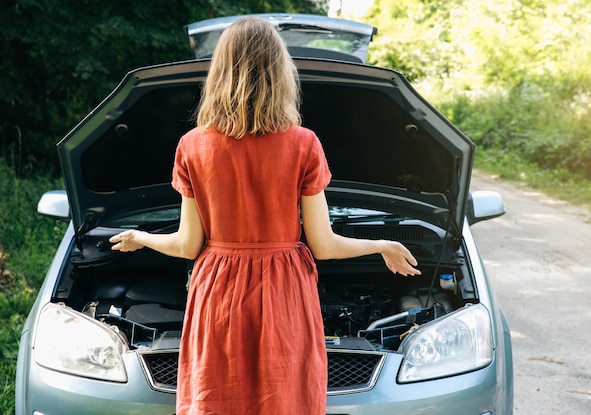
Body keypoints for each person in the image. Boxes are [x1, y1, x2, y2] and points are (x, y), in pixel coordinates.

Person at [109, 16, 420, 415]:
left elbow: (188, 245)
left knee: (218, 396)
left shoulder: (192, 146)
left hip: (217, 290)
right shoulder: (304, 144)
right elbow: (323, 245)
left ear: (220, 72)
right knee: (284, 397)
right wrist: (380, 244)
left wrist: (142, 237)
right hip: (283, 288)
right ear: (279, 73)